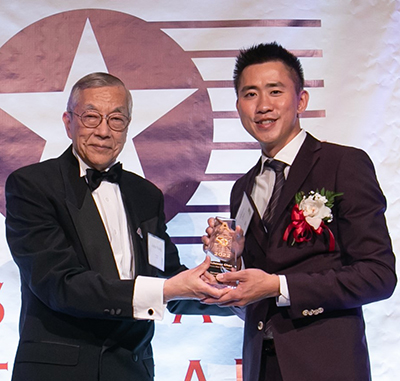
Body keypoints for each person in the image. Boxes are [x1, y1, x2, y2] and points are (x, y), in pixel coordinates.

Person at [5, 72, 231, 381]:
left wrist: (230, 285)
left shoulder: (146, 195)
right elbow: (59, 285)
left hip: (131, 370)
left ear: (127, 126)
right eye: (91, 117)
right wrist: (166, 288)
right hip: (61, 372)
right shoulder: (32, 186)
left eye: (116, 120)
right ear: (68, 122)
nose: (103, 131)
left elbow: (167, 279)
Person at [202, 42, 396, 381]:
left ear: (301, 100)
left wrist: (278, 286)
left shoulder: (342, 164)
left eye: (275, 91)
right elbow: (253, 293)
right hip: (261, 367)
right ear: (238, 107)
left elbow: (378, 276)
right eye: (250, 94)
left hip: (327, 366)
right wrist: (230, 272)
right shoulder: (242, 188)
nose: (263, 106)